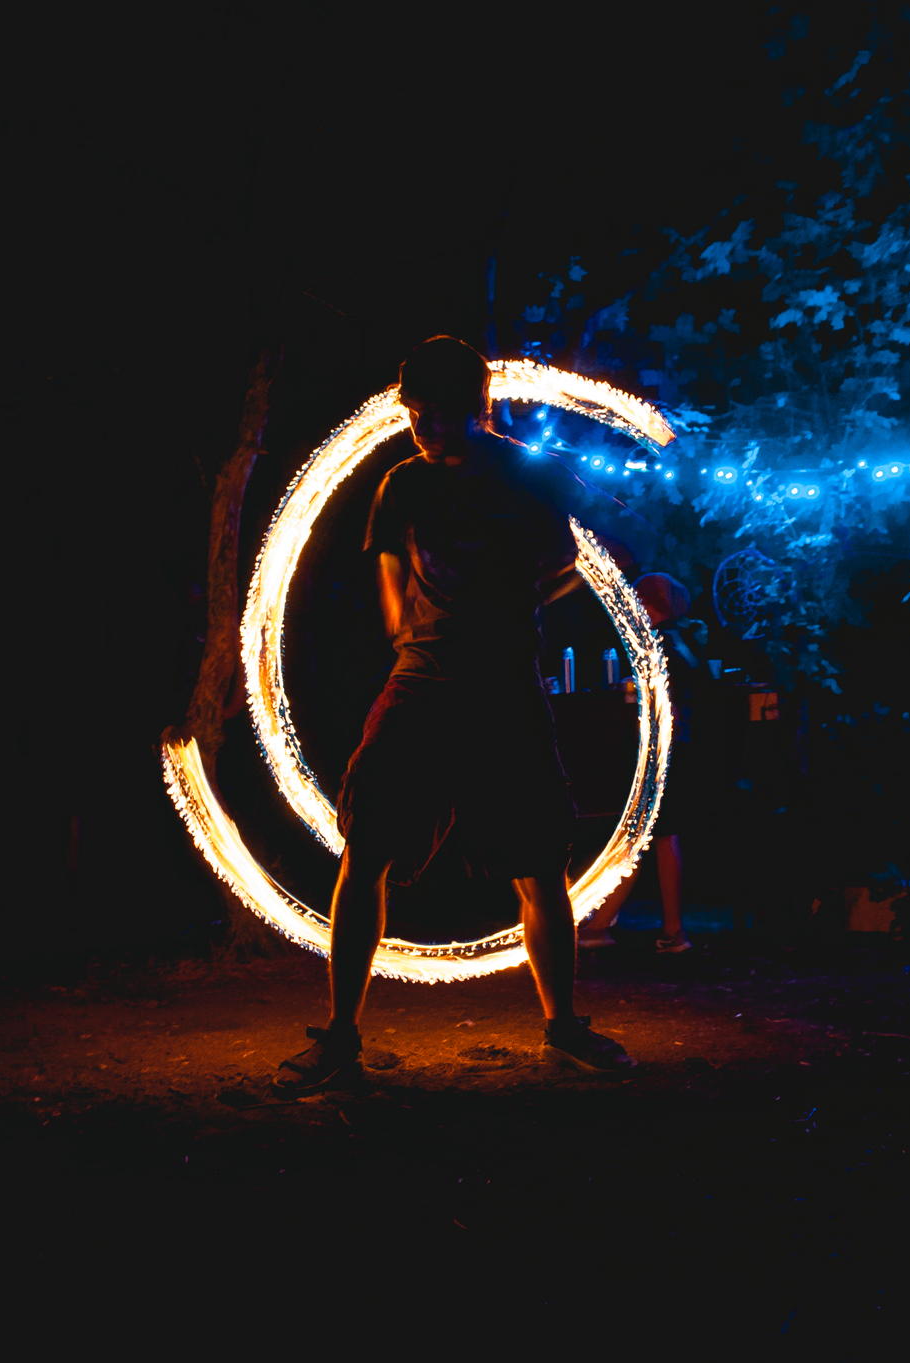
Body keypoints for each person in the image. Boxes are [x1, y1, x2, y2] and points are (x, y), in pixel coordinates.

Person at [273, 337, 637, 1096]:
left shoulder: (523, 474)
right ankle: (340, 1035)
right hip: (424, 684)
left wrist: (509, 615)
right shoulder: (401, 486)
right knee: (365, 851)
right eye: (414, 413)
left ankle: (563, 1024)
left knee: (539, 864)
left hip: (504, 687)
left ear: (477, 408)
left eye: (440, 414)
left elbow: (567, 562)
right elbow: (389, 580)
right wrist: (412, 644)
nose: (424, 427)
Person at [579, 572, 714, 954]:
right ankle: (667, 930)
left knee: (640, 835)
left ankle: (607, 924)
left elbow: (662, 702)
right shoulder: (685, 639)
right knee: (656, 836)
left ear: (648, 605)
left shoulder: (661, 643)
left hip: (662, 753)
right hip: (679, 749)